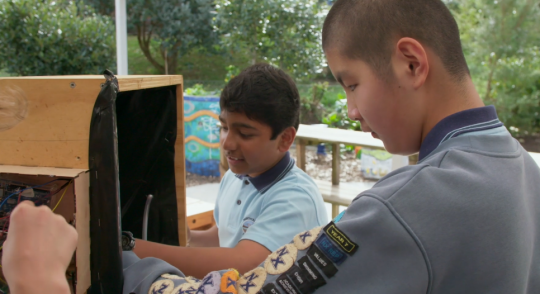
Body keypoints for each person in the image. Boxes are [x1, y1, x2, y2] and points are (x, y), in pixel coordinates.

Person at [4, 0, 540, 293]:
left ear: (411, 62)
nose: (351, 110)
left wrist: (99, 269)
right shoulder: (520, 171)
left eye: (351, 83)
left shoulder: (410, 206)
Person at [131, 63, 328, 278]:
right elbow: (222, 237)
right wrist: (188, 236)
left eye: (244, 133)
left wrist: (131, 248)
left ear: (285, 139)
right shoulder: (235, 178)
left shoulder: (295, 199)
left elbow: (241, 264)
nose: (227, 143)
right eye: (224, 127)